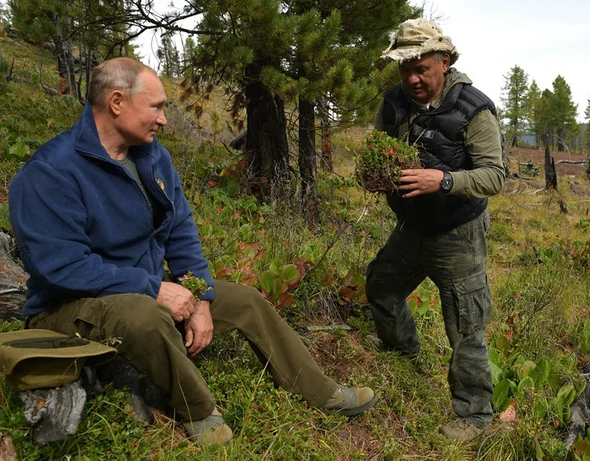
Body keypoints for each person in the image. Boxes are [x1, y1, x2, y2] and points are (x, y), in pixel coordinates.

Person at [9, 58, 376, 446]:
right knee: (144, 315)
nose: (164, 119)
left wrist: (199, 296)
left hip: (140, 290)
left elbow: (180, 232)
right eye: (156, 106)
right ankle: (199, 412)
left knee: (246, 300)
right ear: (116, 102)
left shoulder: (152, 157)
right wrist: (154, 288)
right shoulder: (52, 171)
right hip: (68, 307)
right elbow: (59, 267)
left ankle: (321, 391)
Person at [366, 19, 504, 441]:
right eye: (404, 69)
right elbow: (376, 150)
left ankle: (475, 415)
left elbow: (494, 177)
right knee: (381, 285)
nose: (411, 79)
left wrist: (441, 180)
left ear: (444, 61)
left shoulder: (474, 110)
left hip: (458, 233)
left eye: (420, 68)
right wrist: (375, 175)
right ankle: (403, 351)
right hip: (411, 227)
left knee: (464, 324)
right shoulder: (393, 102)